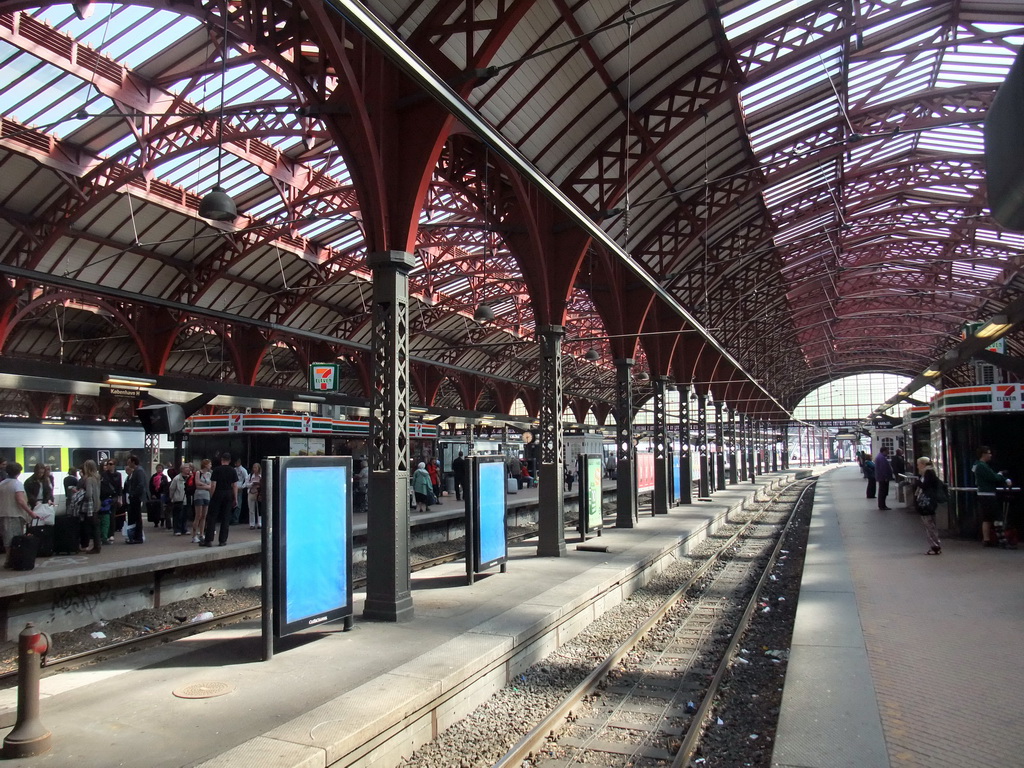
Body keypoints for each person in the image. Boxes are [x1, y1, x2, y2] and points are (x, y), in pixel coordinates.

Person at [0, 462, 42, 565]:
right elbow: (20, 500)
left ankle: (9, 559)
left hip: (3, 513)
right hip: (15, 514)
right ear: (18, 472)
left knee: (7, 538)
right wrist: (30, 512)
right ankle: (12, 560)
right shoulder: (17, 484)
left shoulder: (2, 484)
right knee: (15, 538)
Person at [202, 452, 237, 547]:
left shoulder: (216, 470)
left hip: (218, 492)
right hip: (228, 493)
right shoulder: (233, 471)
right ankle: (222, 540)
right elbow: (234, 485)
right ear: (229, 461)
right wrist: (235, 498)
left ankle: (208, 540)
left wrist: (212, 495)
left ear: (222, 460)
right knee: (226, 517)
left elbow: (213, 484)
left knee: (212, 517)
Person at [973, 446, 1004, 547]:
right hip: (988, 494)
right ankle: (1001, 538)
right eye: (989, 453)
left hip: (982, 494)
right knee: (997, 516)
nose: (990, 455)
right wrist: (1000, 475)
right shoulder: (982, 466)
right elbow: (993, 477)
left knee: (987, 518)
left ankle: (986, 539)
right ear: (983, 454)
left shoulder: (976, 465)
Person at [913, 457, 942, 555]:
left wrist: (917, 482)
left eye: (918, 464)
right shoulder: (929, 472)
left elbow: (925, 486)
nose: (917, 466)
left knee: (929, 524)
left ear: (923, 464)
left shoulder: (928, 473)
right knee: (931, 523)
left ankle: (934, 545)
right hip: (929, 502)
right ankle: (935, 544)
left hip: (927, 502)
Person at [77, 459, 102, 554]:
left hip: (90, 506)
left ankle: (96, 547)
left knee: (90, 526)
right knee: (95, 526)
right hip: (97, 503)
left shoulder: (88, 479)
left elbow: (88, 494)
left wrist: (80, 495)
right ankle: (97, 545)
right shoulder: (97, 477)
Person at [124, 455, 149, 544]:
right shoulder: (137, 471)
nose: (128, 464)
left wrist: (133, 494)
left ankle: (138, 537)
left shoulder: (139, 471)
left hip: (136, 498)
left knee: (137, 517)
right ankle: (135, 536)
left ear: (133, 462)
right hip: (135, 497)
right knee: (136, 517)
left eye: (129, 462)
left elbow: (141, 485)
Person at [99, 460, 123, 544]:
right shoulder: (103, 475)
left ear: (114, 465)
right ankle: (105, 534)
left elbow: (119, 487)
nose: (108, 466)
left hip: (113, 497)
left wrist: (120, 499)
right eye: (107, 464)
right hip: (105, 497)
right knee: (105, 516)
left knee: (112, 515)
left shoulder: (118, 475)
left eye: (110, 464)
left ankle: (111, 534)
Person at [192, 459, 212, 543]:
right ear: (205, 465)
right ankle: (194, 535)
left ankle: (201, 533)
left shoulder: (209, 474)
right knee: (198, 515)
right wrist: (205, 485)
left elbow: (210, 485)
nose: (210, 465)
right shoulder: (198, 473)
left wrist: (203, 485)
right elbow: (197, 484)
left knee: (204, 515)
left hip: (206, 495)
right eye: (209, 464)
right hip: (199, 495)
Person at [167, 463, 191, 536]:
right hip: (178, 499)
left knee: (185, 514)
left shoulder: (190, 478)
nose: (188, 469)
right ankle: (177, 529)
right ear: (182, 469)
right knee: (178, 515)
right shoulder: (177, 478)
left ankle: (184, 528)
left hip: (187, 499)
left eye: (188, 468)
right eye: (186, 468)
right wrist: (172, 497)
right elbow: (172, 489)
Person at [150, 464, 169, 528]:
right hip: (155, 495)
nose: (159, 469)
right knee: (155, 508)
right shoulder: (153, 477)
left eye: (160, 468)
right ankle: (156, 522)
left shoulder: (164, 477)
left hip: (162, 495)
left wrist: (164, 493)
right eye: (158, 468)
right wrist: (152, 494)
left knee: (162, 508)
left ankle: (162, 521)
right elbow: (151, 486)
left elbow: (166, 486)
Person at [232, 458, 249, 525]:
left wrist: (243, 486)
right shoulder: (234, 470)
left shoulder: (243, 470)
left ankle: (235, 519)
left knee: (238, 503)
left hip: (239, 487)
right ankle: (232, 518)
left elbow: (246, 478)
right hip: (233, 487)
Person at [247, 463, 263, 529]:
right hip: (251, 492)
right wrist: (252, 484)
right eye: (253, 468)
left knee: (259, 509)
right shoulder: (250, 475)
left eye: (256, 468)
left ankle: (260, 523)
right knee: (251, 509)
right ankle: (252, 524)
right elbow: (246, 484)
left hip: (258, 493)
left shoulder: (261, 476)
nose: (254, 469)